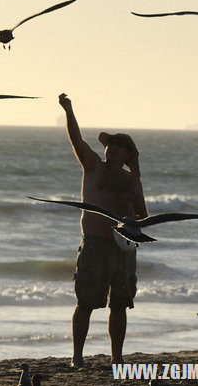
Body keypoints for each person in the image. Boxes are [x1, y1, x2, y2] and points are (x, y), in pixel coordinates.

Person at [58, 93, 148, 367]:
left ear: (128, 155)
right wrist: (69, 110)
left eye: (119, 147)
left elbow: (143, 215)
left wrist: (137, 176)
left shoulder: (131, 180)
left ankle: (117, 358)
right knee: (85, 302)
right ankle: (77, 357)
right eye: (111, 145)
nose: (112, 149)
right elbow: (77, 140)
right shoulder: (93, 166)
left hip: (122, 247)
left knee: (120, 304)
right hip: (95, 244)